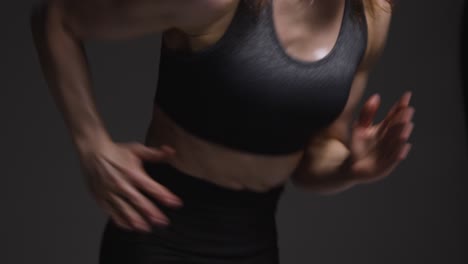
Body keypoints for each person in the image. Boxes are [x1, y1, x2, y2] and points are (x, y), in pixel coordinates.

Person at [30, 0, 414, 263]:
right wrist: (91, 143)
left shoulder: (370, 18)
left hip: (255, 243)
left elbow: (317, 152)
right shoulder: (216, 4)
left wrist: (350, 167)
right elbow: (58, 20)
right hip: (158, 235)